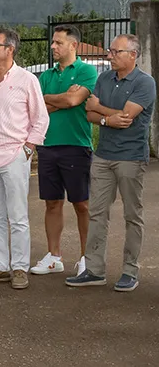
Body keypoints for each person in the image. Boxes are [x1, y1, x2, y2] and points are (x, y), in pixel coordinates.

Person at [67, 34, 156, 292]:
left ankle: (130, 271)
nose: (110, 56)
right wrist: (107, 118)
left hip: (131, 158)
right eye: (110, 51)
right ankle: (94, 270)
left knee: (132, 215)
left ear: (133, 55)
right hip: (103, 155)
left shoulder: (145, 83)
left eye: (116, 52)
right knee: (97, 213)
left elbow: (126, 116)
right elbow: (89, 112)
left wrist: (102, 109)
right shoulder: (104, 79)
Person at [0, 28, 49, 290]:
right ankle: (0, 265)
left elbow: (40, 118)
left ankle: (19, 267)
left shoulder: (27, 80)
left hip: (14, 154)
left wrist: (28, 149)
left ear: (10, 49)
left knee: (17, 216)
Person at [30, 25, 97, 277]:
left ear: (73, 45)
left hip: (76, 146)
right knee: (52, 203)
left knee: (81, 204)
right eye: (53, 42)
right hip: (47, 146)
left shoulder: (86, 71)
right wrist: (59, 99)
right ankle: (54, 257)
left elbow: (73, 101)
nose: (53, 47)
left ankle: (86, 258)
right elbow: (38, 108)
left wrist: (52, 99)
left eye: (58, 43)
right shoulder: (45, 75)